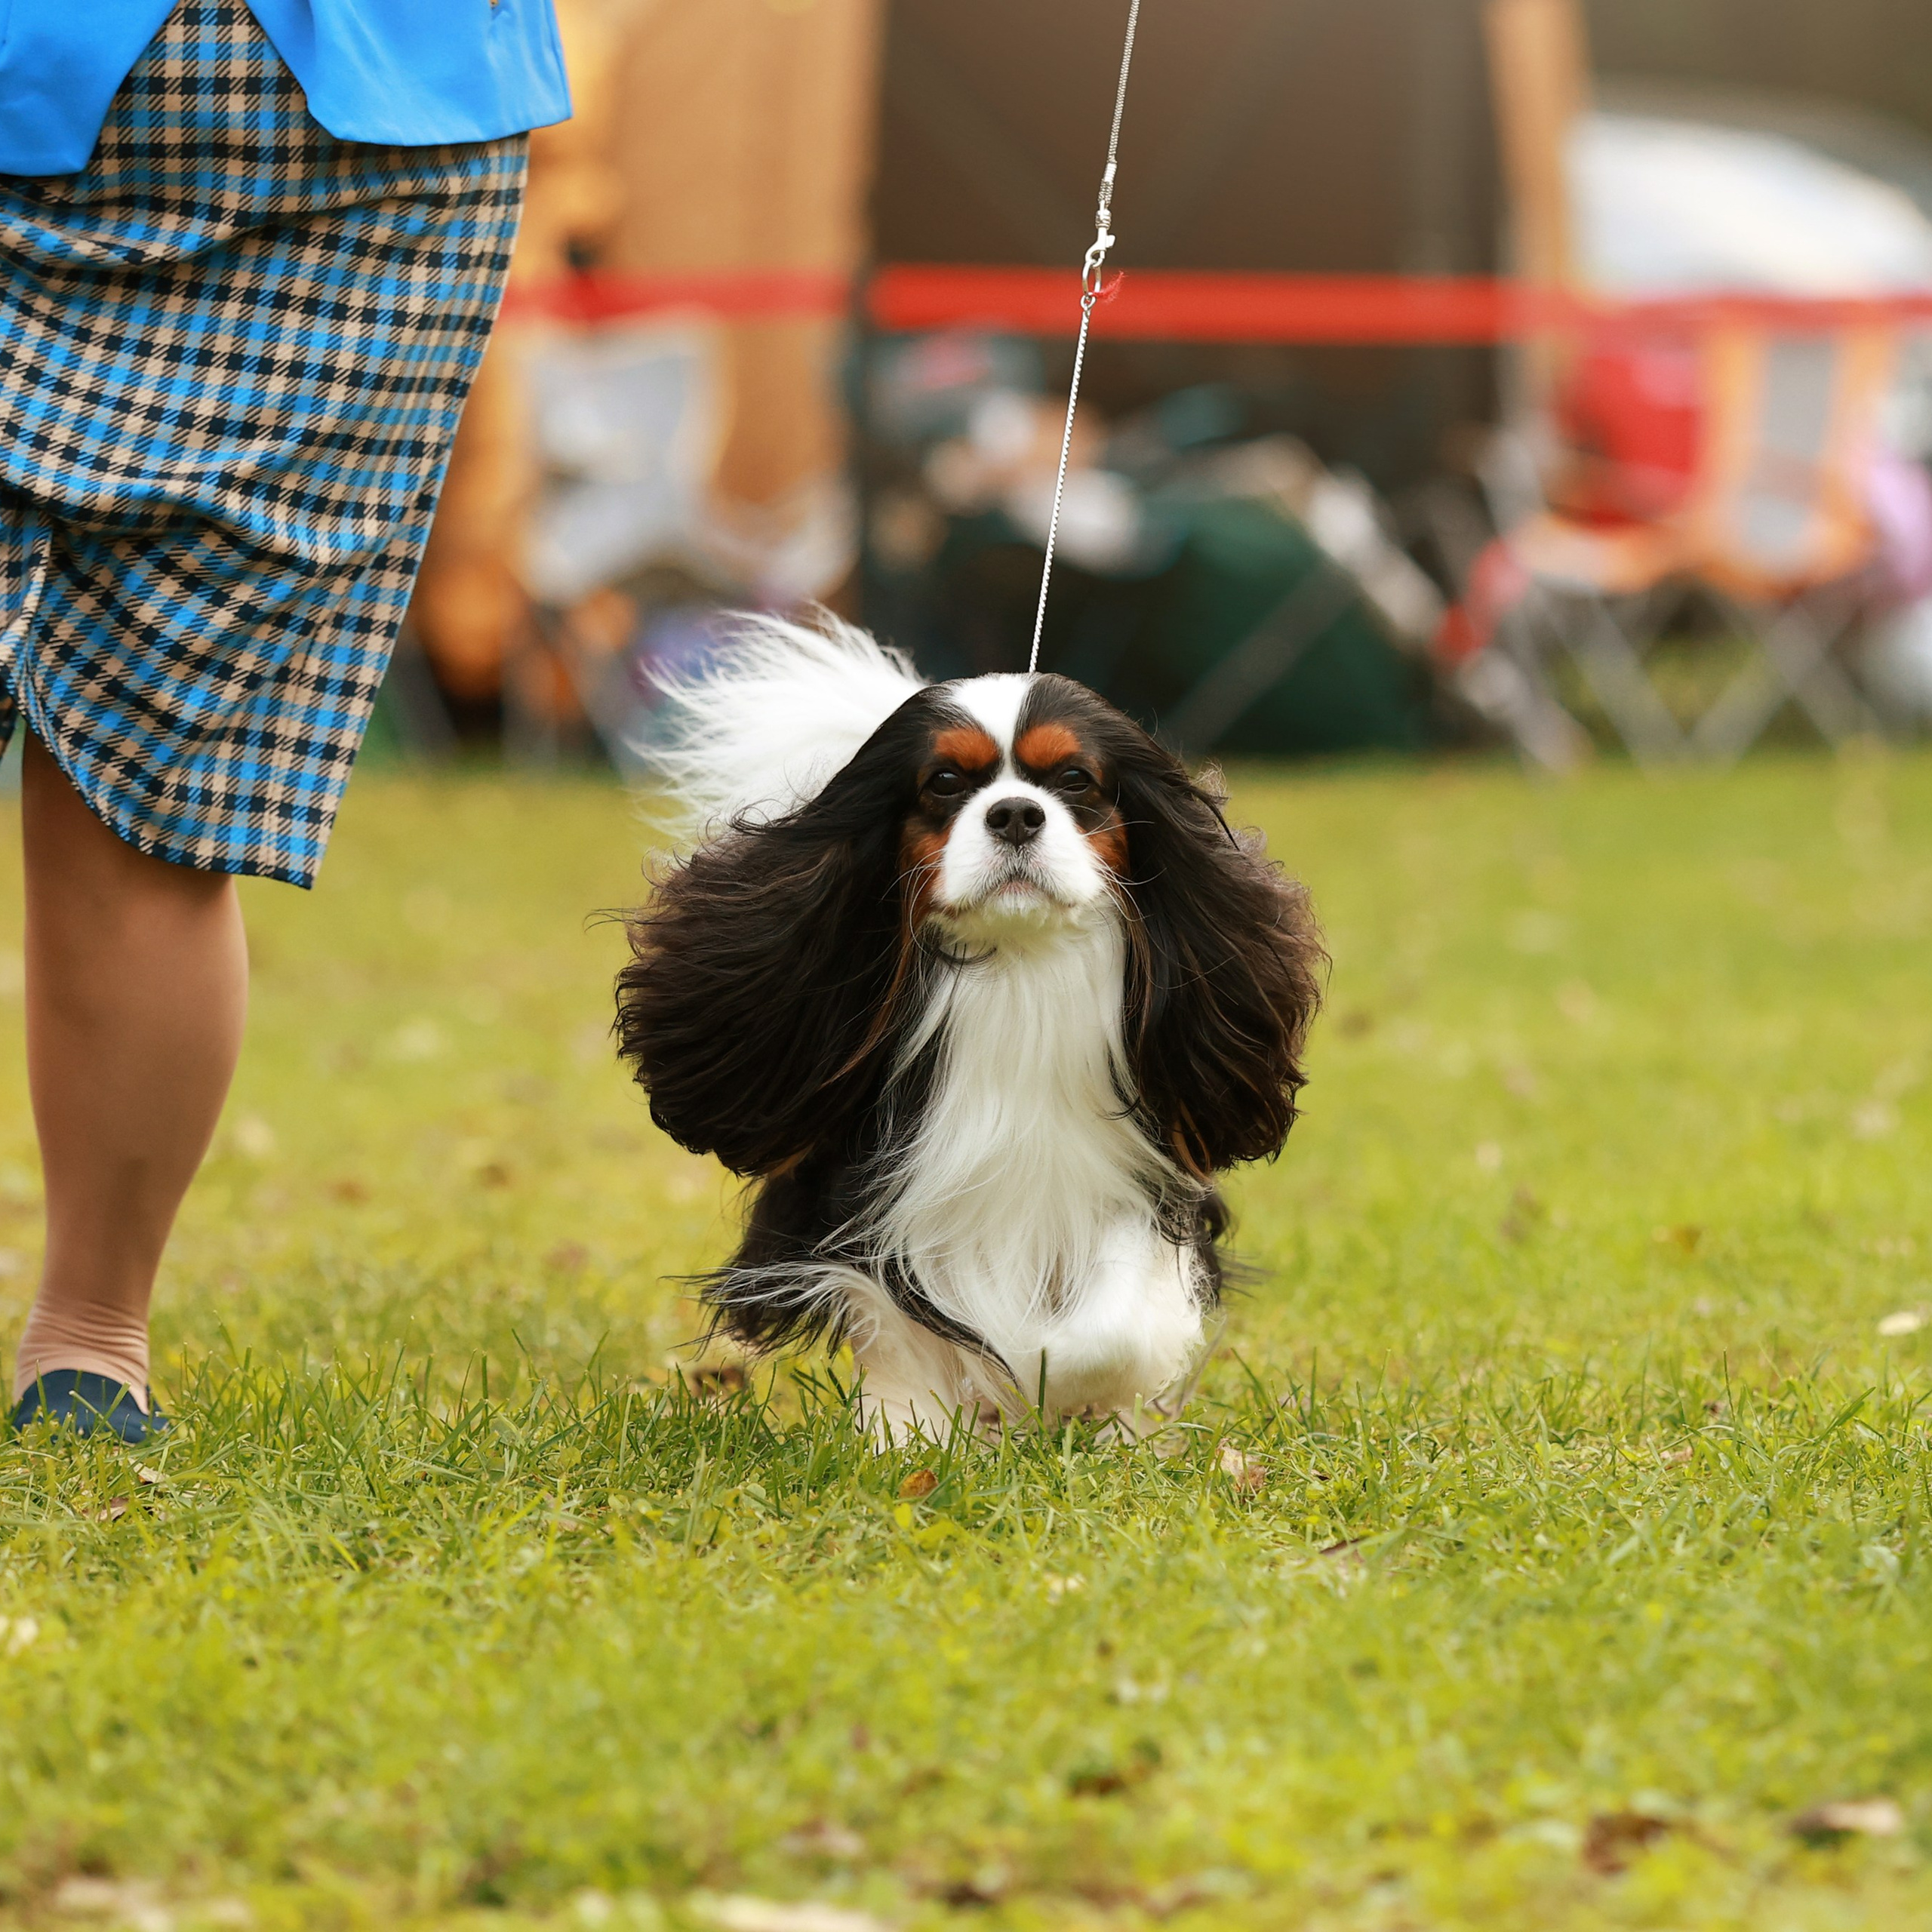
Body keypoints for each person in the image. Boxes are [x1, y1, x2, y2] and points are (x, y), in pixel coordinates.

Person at [0, 0, 570, 1441]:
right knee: (153, 755)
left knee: (150, 773)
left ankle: (90, 1337)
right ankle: (87, 1342)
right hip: (379, 100)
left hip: (338, 133)